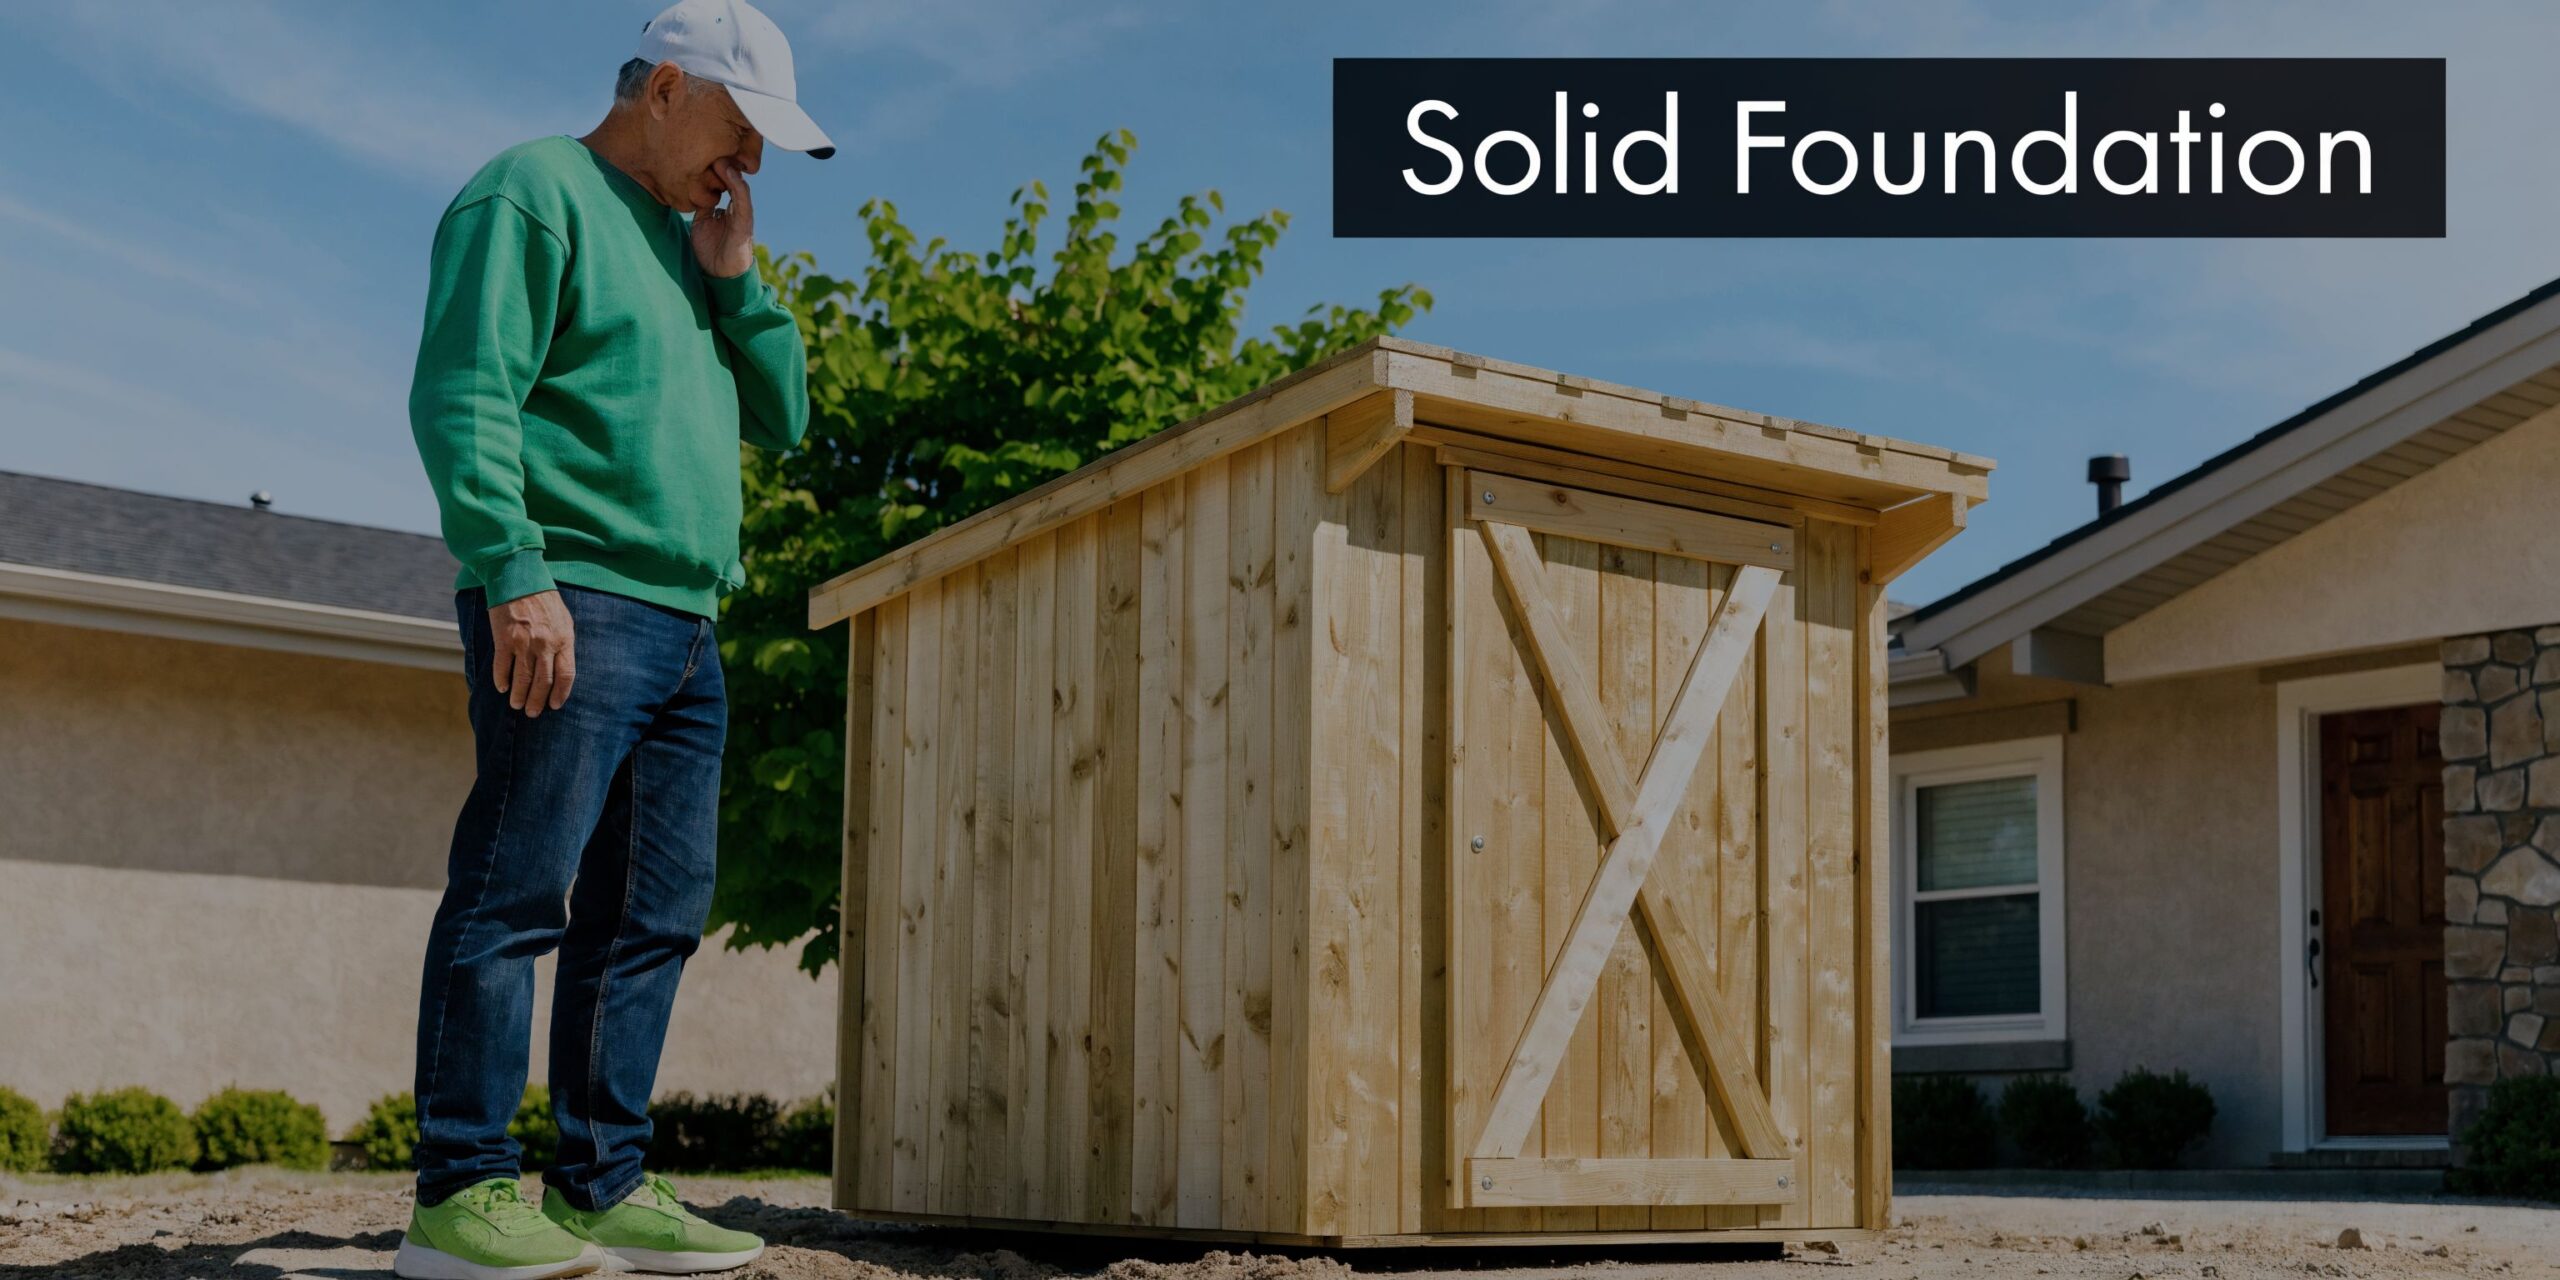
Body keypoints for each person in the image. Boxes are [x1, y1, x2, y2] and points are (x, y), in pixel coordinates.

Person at [400, 1, 831, 1275]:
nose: (747, 165)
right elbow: (463, 389)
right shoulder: (531, 193)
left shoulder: (693, 242)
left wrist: (737, 281)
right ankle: (461, 1191)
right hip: (567, 597)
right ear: (665, 89)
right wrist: (512, 567)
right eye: (741, 131)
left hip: (689, 621)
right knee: (515, 891)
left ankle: (600, 1185)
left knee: (651, 914)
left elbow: (787, 415)